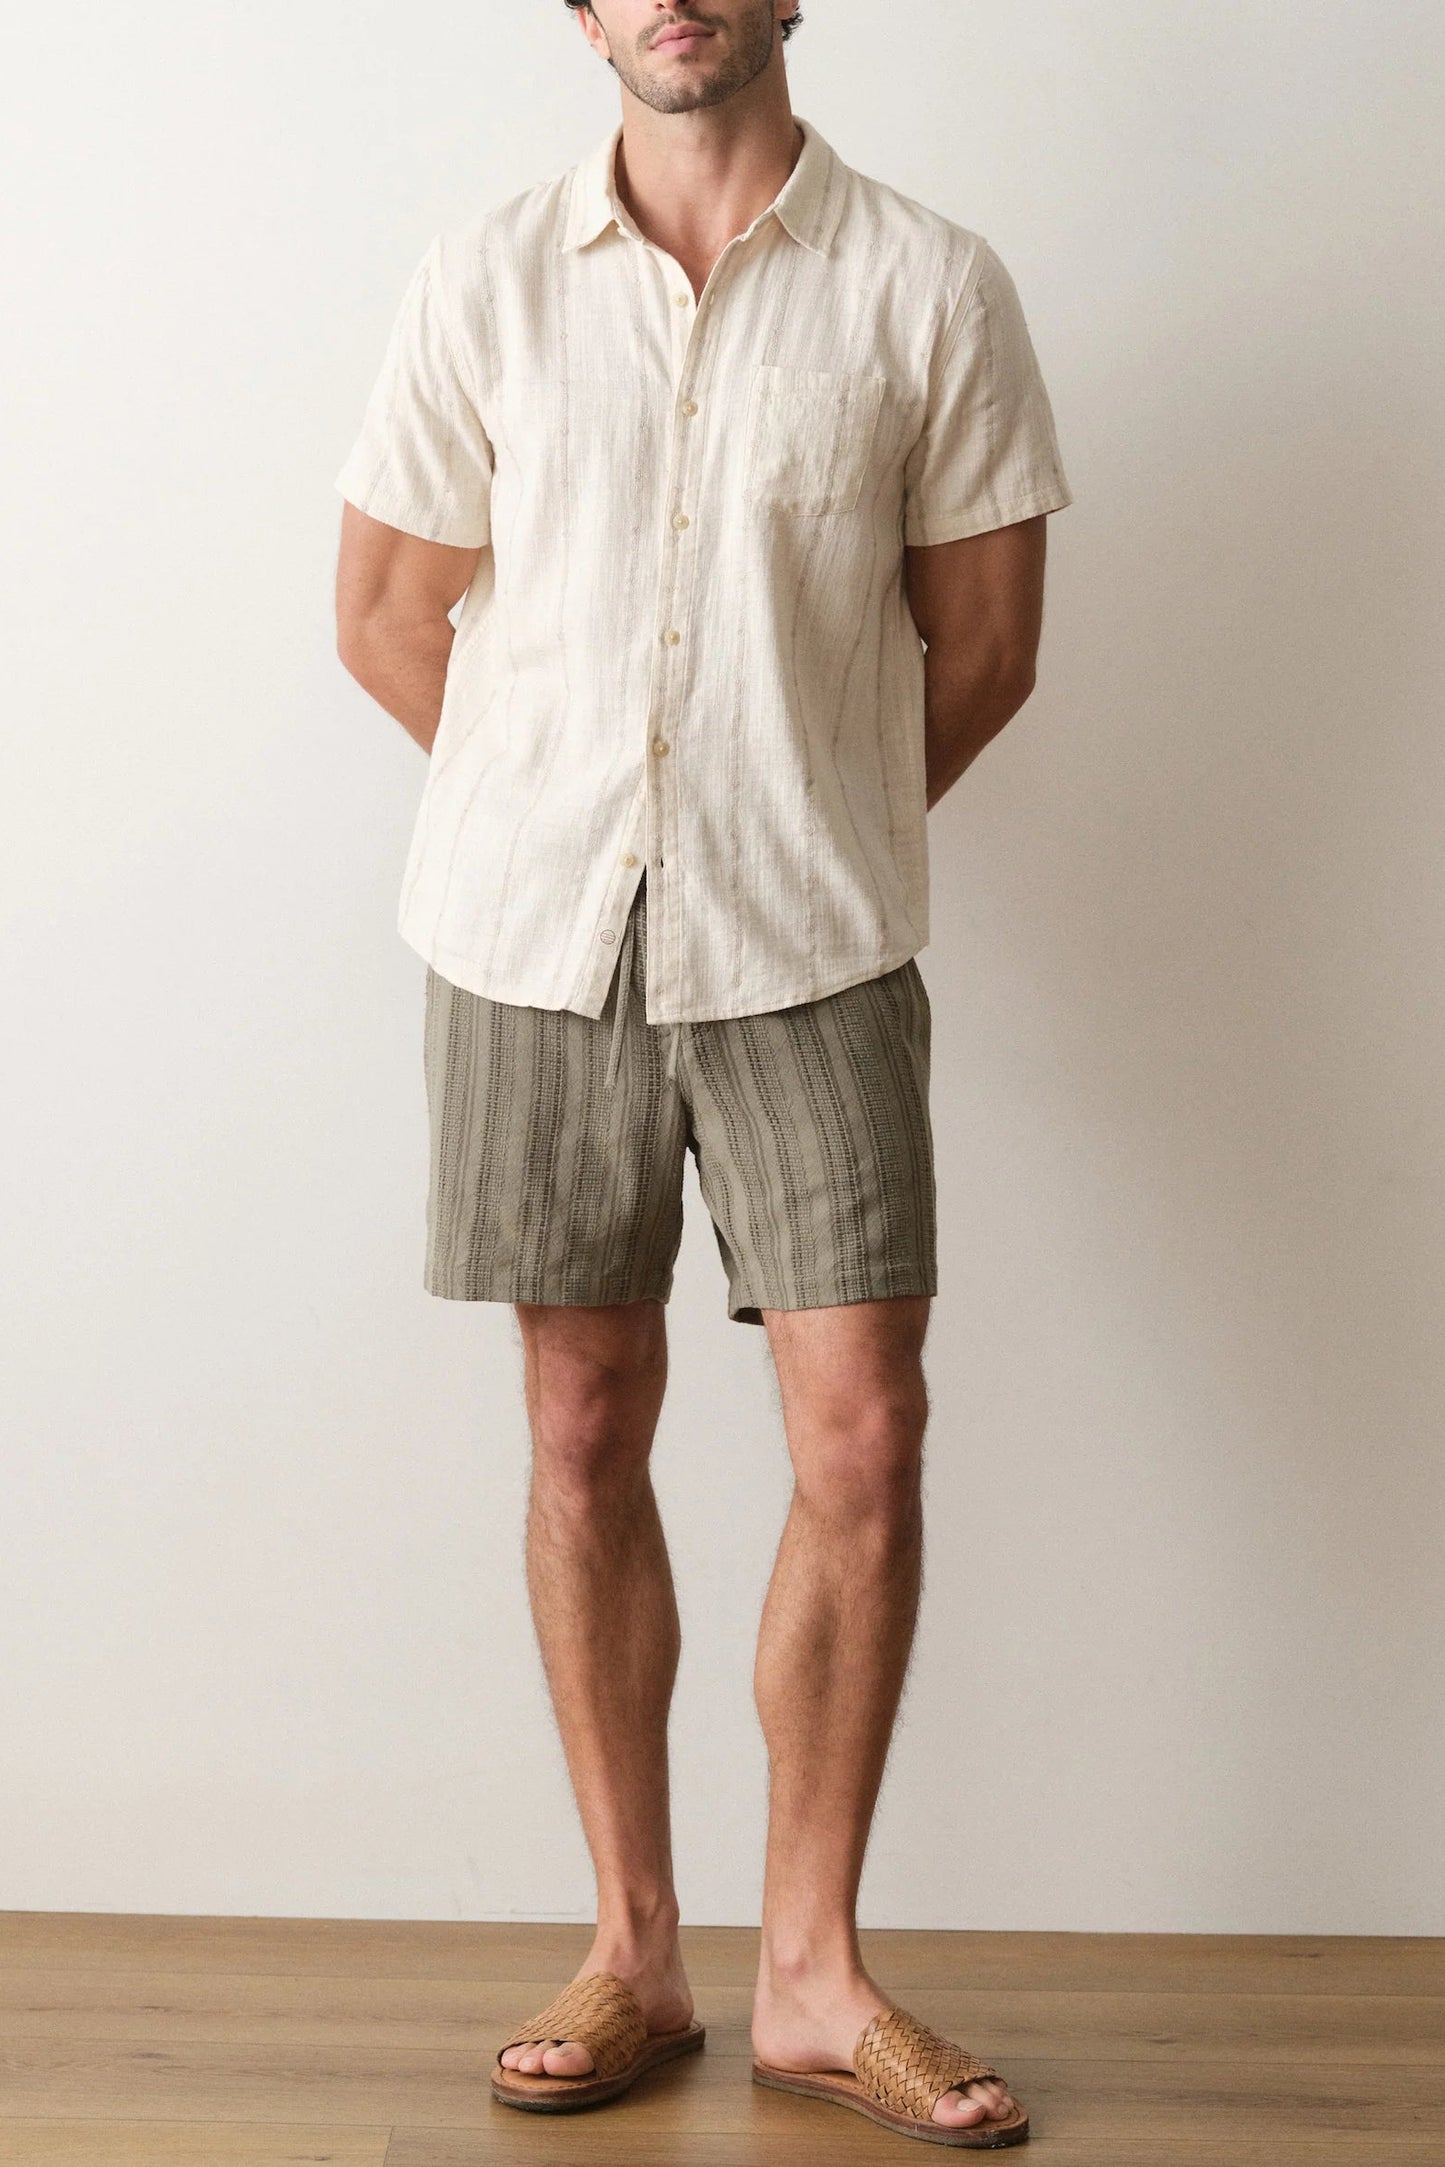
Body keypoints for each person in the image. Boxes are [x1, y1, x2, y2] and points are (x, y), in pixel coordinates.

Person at [333, 0, 1071, 2147]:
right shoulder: (484, 280)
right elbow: (386, 609)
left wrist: (796, 826)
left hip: (812, 946)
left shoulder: (929, 286)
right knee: (581, 1420)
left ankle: (819, 1978)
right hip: (529, 940)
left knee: (865, 1430)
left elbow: (995, 640)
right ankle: (636, 1946)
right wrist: (570, 812)